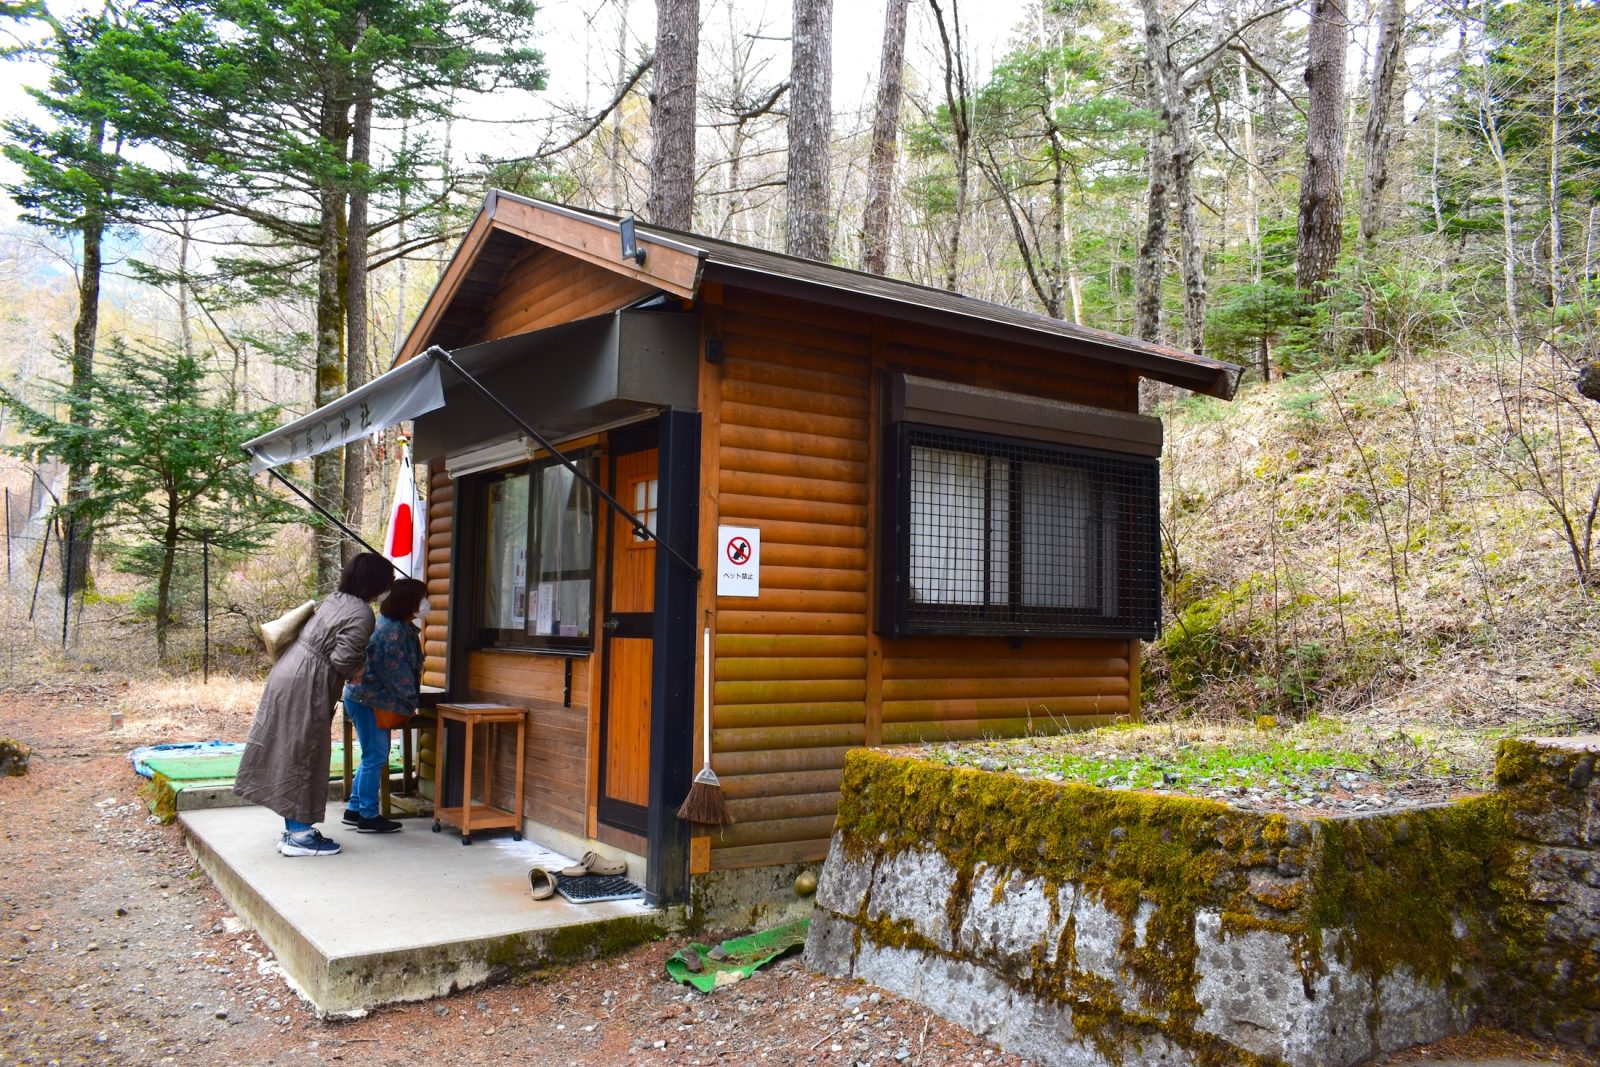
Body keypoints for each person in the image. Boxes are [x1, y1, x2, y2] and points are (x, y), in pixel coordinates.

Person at [235, 552, 394, 857]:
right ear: (376, 582)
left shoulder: (336, 599)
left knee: (292, 749)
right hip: (308, 682)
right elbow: (342, 659)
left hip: (290, 671)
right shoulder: (362, 612)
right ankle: (300, 837)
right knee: (304, 753)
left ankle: (294, 829)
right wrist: (358, 670)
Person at [340, 578, 427, 834]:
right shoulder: (392, 632)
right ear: (408, 602)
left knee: (371, 756)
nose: (427, 603)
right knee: (376, 756)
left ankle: (355, 810)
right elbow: (396, 675)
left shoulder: (399, 627)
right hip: (369, 701)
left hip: (365, 699)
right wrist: (410, 702)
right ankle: (368, 815)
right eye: (422, 598)